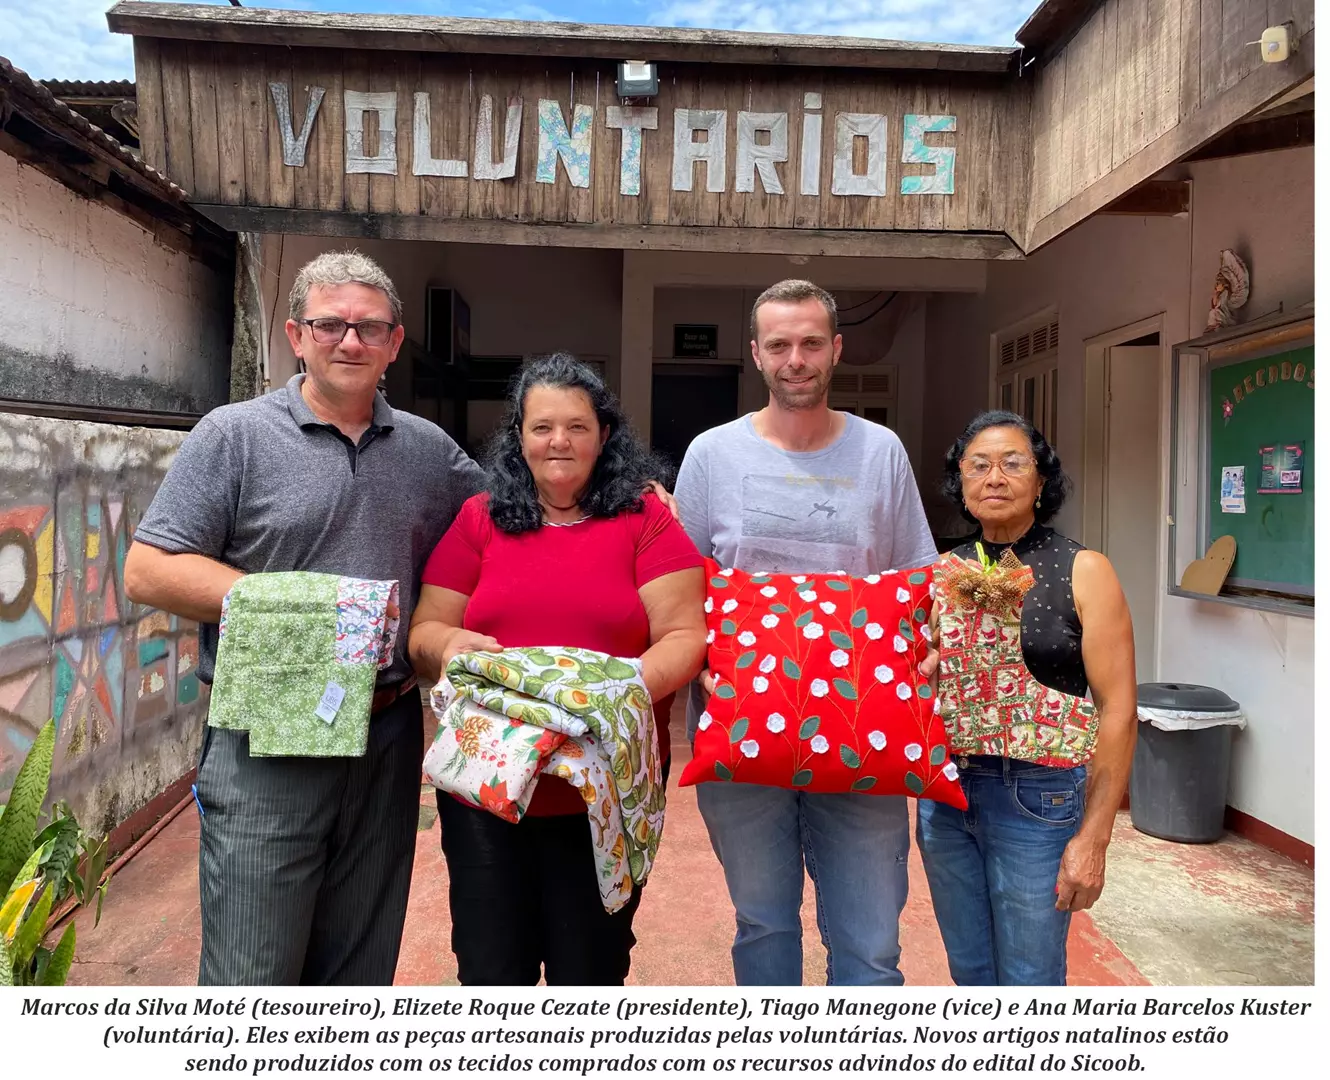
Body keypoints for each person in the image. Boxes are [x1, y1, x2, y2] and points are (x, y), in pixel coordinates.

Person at [123, 250, 487, 985]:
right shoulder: (234, 435)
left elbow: (510, 524)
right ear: (296, 334)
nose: (348, 342)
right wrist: (311, 612)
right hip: (268, 729)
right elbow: (148, 568)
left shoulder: (428, 453)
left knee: (359, 966)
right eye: (329, 325)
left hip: (385, 730)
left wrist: (633, 494)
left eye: (368, 328)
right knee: (253, 971)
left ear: (394, 341)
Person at [408, 353, 706, 986]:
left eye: (577, 426)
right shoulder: (480, 519)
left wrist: (604, 699)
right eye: (542, 427)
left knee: (590, 973)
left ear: (604, 435)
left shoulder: (644, 520)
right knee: (491, 971)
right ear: (519, 436)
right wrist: (451, 644)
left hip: (601, 793)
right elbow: (426, 631)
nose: (559, 441)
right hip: (487, 790)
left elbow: (684, 636)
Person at [673, 279, 939, 986]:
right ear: (756, 353)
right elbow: (685, 586)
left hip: (865, 732)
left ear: (836, 350)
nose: (797, 359)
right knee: (763, 924)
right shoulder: (711, 454)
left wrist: (930, 658)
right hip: (742, 730)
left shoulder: (880, 452)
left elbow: (916, 580)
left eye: (811, 343)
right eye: (781, 345)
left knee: (871, 945)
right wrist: (696, 659)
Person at [919, 410, 1137, 986]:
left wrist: (1094, 838)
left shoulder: (1083, 570)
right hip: (946, 799)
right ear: (960, 483)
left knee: (1030, 976)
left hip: (1037, 801)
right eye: (979, 465)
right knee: (969, 970)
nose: (995, 477)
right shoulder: (941, 572)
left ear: (1042, 483)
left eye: (1013, 464)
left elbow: (1118, 711)